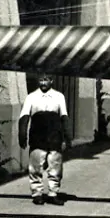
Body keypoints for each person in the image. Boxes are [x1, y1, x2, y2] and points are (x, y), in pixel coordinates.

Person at [18, 74, 71, 205]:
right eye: (41, 80)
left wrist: (67, 137)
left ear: (51, 81)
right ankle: (37, 193)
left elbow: (64, 117)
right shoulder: (31, 97)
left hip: (54, 135)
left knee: (55, 165)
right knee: (35, 166)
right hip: (38, 136)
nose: (43, 83)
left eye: (46, 80)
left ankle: (53, 193)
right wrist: (22, 134)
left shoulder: (59, 96)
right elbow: (24, 116)